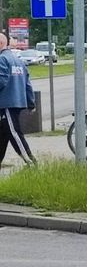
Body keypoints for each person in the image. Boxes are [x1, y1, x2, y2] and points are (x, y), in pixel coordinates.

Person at [0, 31, 37, 168]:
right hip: (17, 101)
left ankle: (31, 162)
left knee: (14, 133)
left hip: (6, 103)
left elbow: (1, 81)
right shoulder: (18, 61)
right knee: (3, 134)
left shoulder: (2, 59)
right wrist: (31, 102)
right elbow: (27, 84)